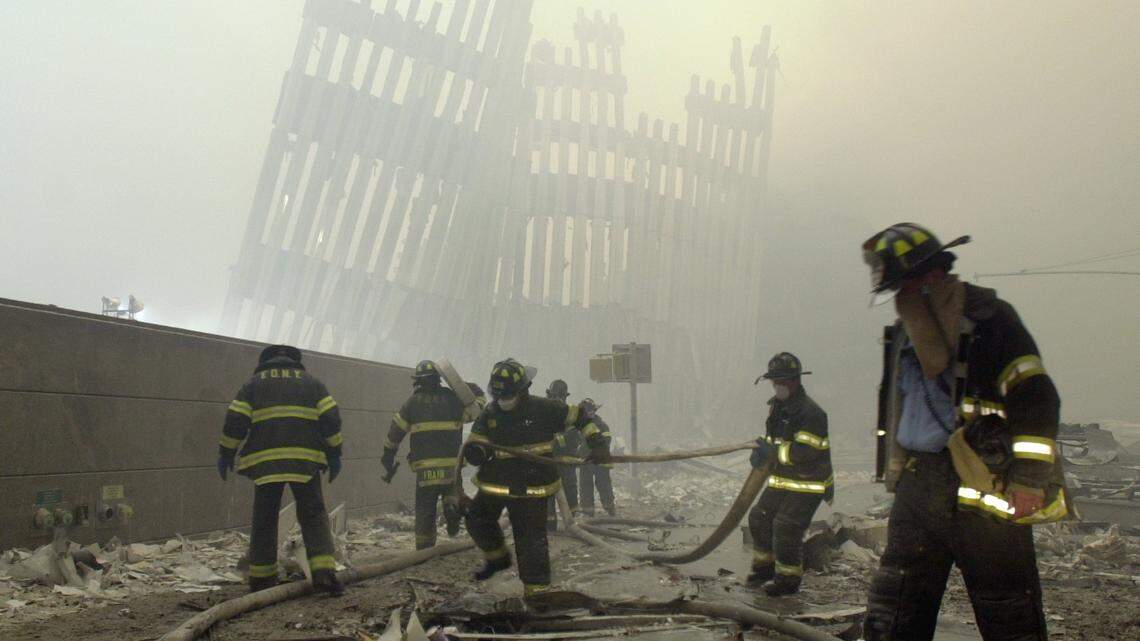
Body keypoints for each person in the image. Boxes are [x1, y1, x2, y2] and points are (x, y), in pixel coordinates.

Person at [861, 223, 1066, 641]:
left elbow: (1038, 397)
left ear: (932, 275)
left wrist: (1028, 479)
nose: (900, 298)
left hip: (982, 486)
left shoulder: (991, 320)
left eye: (906, 285)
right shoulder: (905, 332)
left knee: (1008, 611)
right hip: (919, 486)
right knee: (894, 607)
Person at [463, 359, 610, 596]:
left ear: (523, 390)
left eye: (509, 396)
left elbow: (580, 417)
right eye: (501, 397)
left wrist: (598, 444)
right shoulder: (490, 412)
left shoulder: (545, 408)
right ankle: (497, 558)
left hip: (532, 483)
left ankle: (538, 592)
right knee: (477, 519)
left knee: (530, 538)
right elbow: (476, 439)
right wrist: (477, 451)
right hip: (497, 481)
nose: (505, 403)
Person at [218, 344, 344, 595]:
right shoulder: (312, 383)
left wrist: (226, 452)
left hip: (266, 463)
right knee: (313, 515)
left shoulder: (252, 385)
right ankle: (324, 576)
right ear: (294, 362)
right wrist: (335, 453)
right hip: (305, 461)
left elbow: (235, 421)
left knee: (264, 519)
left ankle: (262, 581)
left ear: (266, 362)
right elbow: (331, 419)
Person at [746, 352, 832, 596]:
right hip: (783, 479)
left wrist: (773, 452)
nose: (778, 386)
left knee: (786, 527)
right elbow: (775, 440)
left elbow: (806, 452)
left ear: (795, 380)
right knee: (759, 517)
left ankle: (787, 580)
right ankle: (764, 570)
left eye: (783, 381)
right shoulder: (777, 407)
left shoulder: (812, 413)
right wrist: (761, 451)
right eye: (775, 382)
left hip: (808, 482)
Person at [381, 360, 485, 549]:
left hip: (425, 469)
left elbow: (395, 432)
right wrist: (469, 389)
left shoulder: (412, 403)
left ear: (418, 381)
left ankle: (424, 547)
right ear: (438, 380)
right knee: (452, 492)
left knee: (425, 509)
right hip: (451, 465)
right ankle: (451, 506)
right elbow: (476, 411)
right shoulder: (453, 399)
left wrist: (388, 455)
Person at [544, 379, 581, 529]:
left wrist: (555, 440)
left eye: (558, 397)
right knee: (548, 492)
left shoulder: (569, 415)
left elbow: (573, 438)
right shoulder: (543, 413)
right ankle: (550, 522)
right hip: (549, 462)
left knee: (569, 490)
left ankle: (570, 521)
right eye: (553, 396)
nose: (555, 400)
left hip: (564, 463)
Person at [576, 398, 616, 517]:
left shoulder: (602, 426)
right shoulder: (580, 426)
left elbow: (606, 441)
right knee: (585, 485)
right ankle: (588, 510)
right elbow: (577, 443)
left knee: (603, 484)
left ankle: (609, 507)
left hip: (600, 461)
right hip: (586, 462)